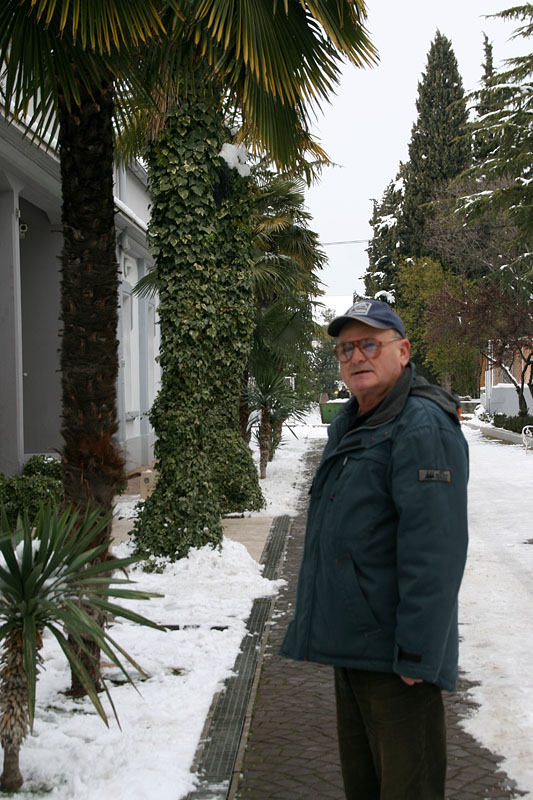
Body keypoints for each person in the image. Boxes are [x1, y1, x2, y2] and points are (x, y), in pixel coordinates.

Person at [280, 298, 469, 800]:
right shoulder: (358, 420)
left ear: (402, 351)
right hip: (358, 643)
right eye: (346, 349)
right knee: (365, 786)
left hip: (397, 657)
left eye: (370, 344)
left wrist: (417, 651)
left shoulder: (421, 426)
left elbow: (436, 549)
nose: (357, 357)